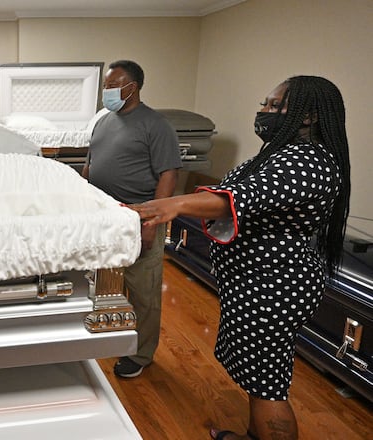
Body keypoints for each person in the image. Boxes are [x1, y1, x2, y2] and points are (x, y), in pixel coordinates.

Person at [128, 75, 351, 440]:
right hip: (256, 283)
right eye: (264, 103)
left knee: (267, 383)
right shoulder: (282, 153)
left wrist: (171, 204)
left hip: (274, 285)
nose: (263, 110)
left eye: (273, 104)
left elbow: (236, 199)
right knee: (258, 375)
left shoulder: (308, 162)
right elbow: (234, 193)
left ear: (307, 115)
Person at [82, 60, 182, 378]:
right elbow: (91, 162)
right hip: (103, 214)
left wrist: (151, 221)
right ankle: (111, 334)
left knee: (143, 288)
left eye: (113, 85)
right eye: (106, 86)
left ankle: (141, 354)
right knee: (106, 282)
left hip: (138, 214)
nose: (107, 92)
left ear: (132, 87)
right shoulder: (103, 121)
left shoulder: (155, 125)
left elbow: (169, 174)